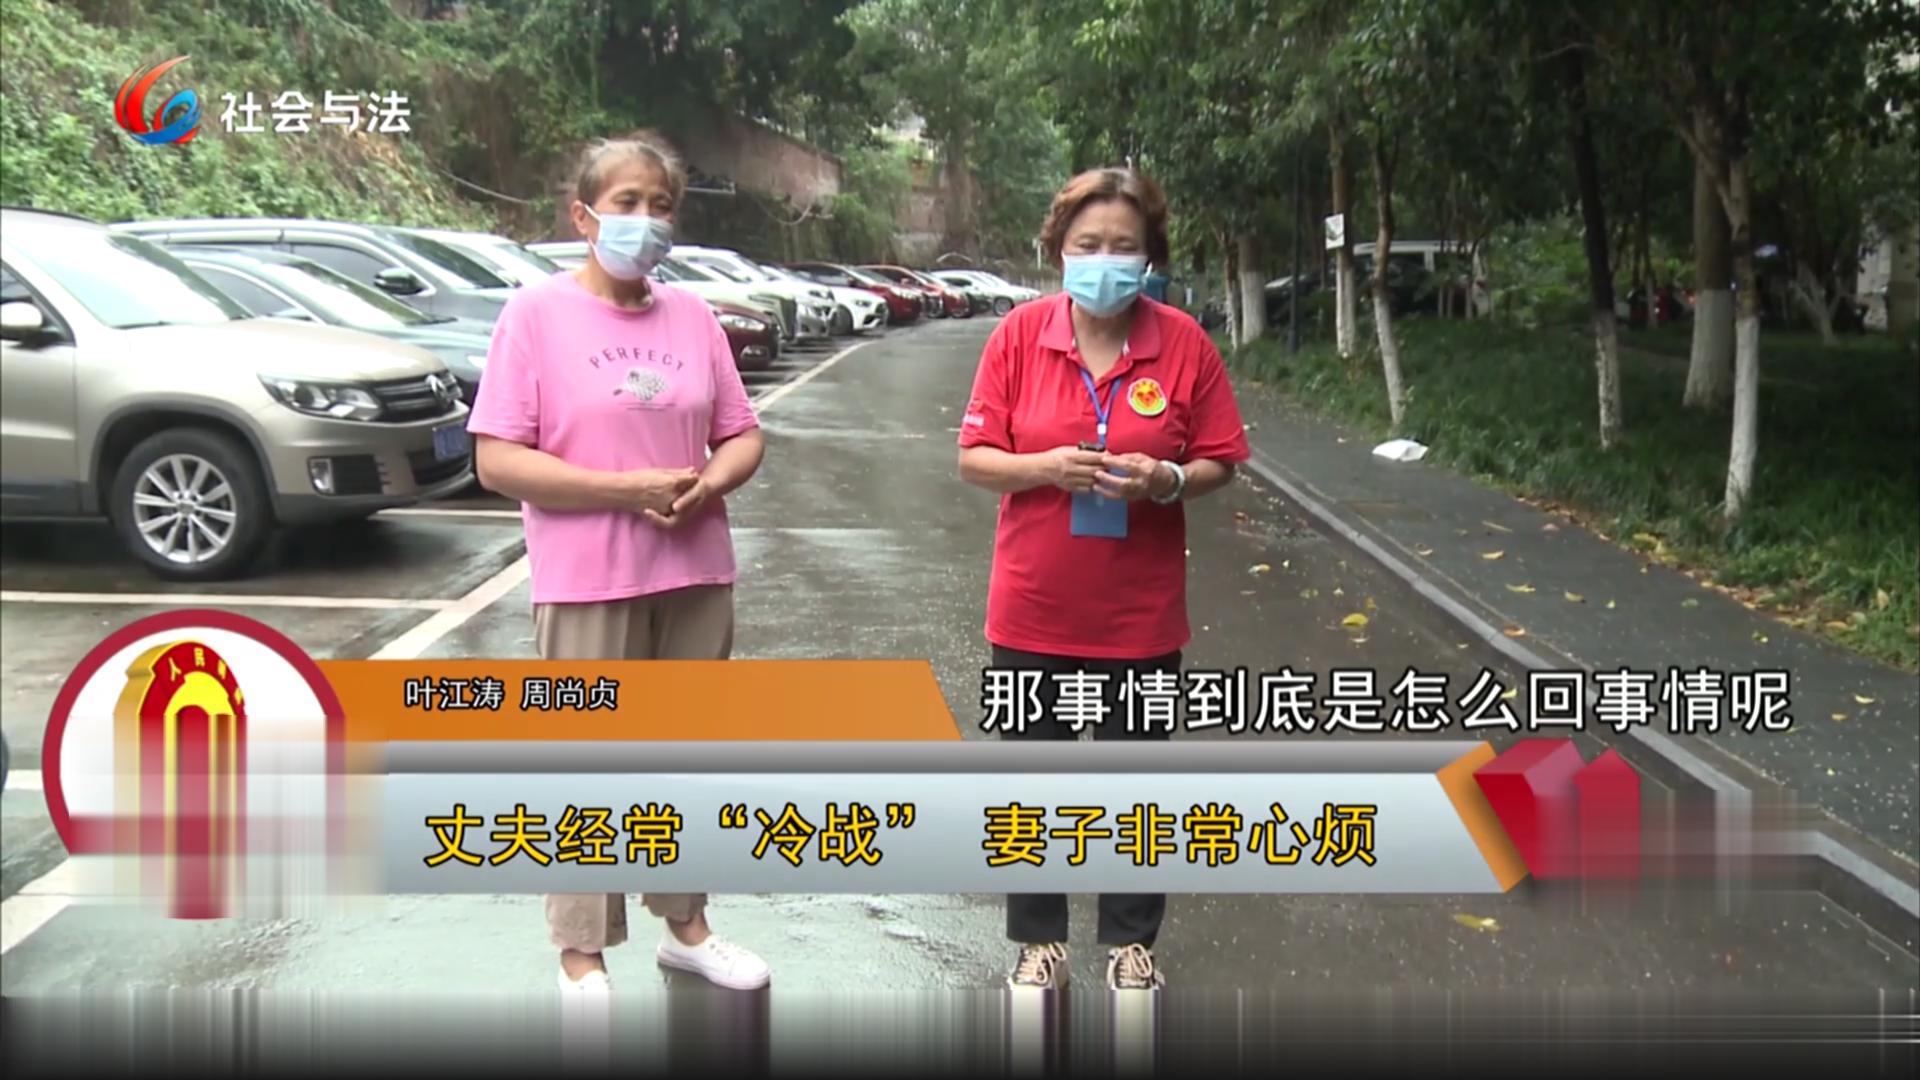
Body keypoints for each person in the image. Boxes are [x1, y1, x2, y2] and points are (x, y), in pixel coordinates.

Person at [467, 132, 771, 993]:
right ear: (584, 216)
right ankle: (582, 953)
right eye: (627, 203)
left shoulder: (693, 317)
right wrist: (623, 489)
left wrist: (708, 484)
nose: (646, 220)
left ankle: (687, 925)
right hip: (588, 578)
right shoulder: (535, 315)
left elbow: (742, 434)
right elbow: (497, 460)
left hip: (694, 574)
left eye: (661, 205)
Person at [956, 167, 1251, 992]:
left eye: (1124, 246)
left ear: (1151, 255)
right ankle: (1037, 941)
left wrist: (1167, 481)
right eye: (1088, 245)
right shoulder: (1018, 336)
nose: (1105, 261)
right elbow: (974, 458)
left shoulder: (1184, 344)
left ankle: (1131, 943)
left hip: (1139, 615)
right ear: (1058, 250)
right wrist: (1045, 467)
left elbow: (1221, 459)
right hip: (1032, 607)